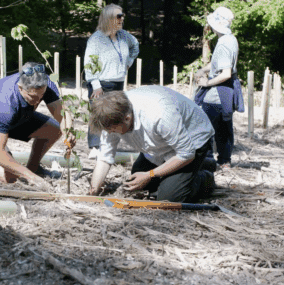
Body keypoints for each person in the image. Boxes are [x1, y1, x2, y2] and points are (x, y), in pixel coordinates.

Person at [88, 86, 215, 203]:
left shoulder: (160, 114)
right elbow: (105, 157)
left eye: (113, 130)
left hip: (192, 141)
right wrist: (93, 190)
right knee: (138, 182)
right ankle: (190, 170)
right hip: (159, 146)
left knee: (169, 199)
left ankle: (204, 178)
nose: (110, 133)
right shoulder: (110, 118)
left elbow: (186, 154)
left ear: (127, 118)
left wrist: (150, 174)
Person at [83, 3, 139, 153]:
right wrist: (95, 84)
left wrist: (129, 62)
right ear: (108, 18)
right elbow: (89, 63)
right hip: (101, 83)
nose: (122, 19)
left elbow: (135, 45)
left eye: (122, 16)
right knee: (98, 114)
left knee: (115, 113)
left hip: (118, 82)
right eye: (119, 16)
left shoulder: (124, 35)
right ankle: (95, 147)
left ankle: (109, 146)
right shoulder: (96, 39)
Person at [194, 6, 244, 169]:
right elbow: (218, 64)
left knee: (205, 129)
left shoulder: (223, 44)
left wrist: (206, 83)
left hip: (217, 93)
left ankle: (207, 163)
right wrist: (203, 69)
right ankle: (224, 161)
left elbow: (225, 73)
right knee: (224, 128)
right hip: (227, 92)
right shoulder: (230, 39)